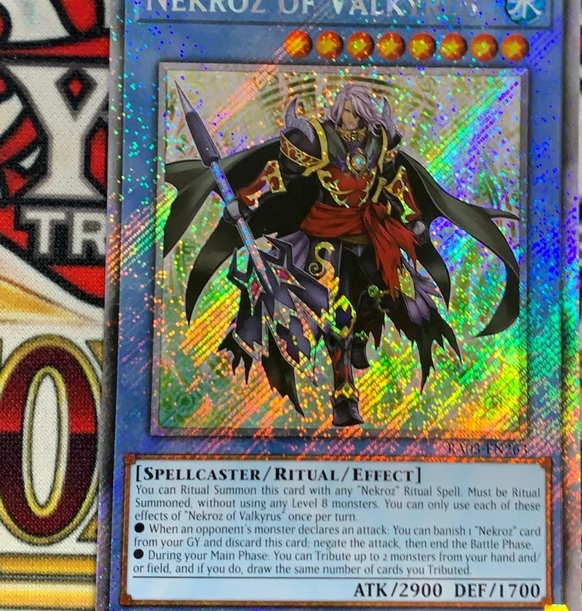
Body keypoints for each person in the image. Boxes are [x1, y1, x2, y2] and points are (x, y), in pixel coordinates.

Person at [164, 83, 519, 428]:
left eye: (356, 112)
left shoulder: (379, 141)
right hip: (324, 237)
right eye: (346, 111)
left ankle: (362, 338)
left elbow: (395, 183)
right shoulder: (318, 140)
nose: (350, 118)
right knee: (336, 315)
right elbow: (280, 174)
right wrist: (246, 199)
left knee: (389, 294)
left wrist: (412, 218)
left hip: (368, 231)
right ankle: (344, 396)